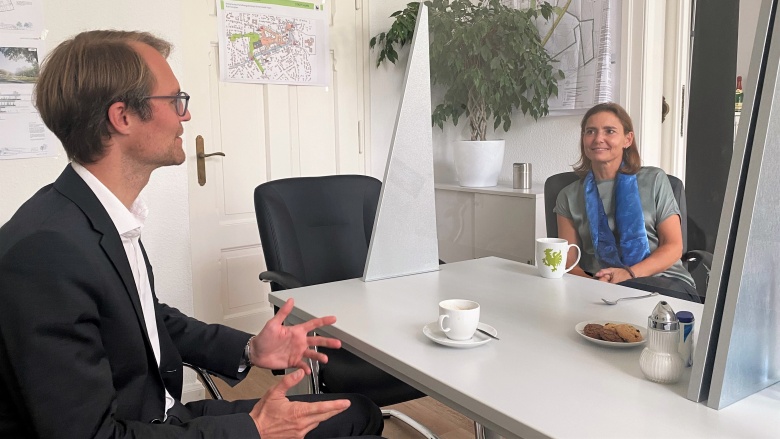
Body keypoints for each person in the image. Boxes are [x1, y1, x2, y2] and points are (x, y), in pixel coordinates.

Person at [0, 30, 384, 438]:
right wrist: (253, 431)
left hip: (160, 416)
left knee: (360, 412)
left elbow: (147, 319)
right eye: (175, 101)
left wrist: (251, 349)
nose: (185, 116)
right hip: (140, 426)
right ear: (122, 117)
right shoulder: (46, 252)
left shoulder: (95, 212)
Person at [554, 102, 698, 302]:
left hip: (666, 283)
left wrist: (628, 274)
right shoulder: (568, 196)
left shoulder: (654, 179)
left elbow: (673, 246)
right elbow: (569, 264)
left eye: (609, 131)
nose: (598, 139)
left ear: (627, 139)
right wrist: (594, 285)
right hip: (601, 287)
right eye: (590, 131)